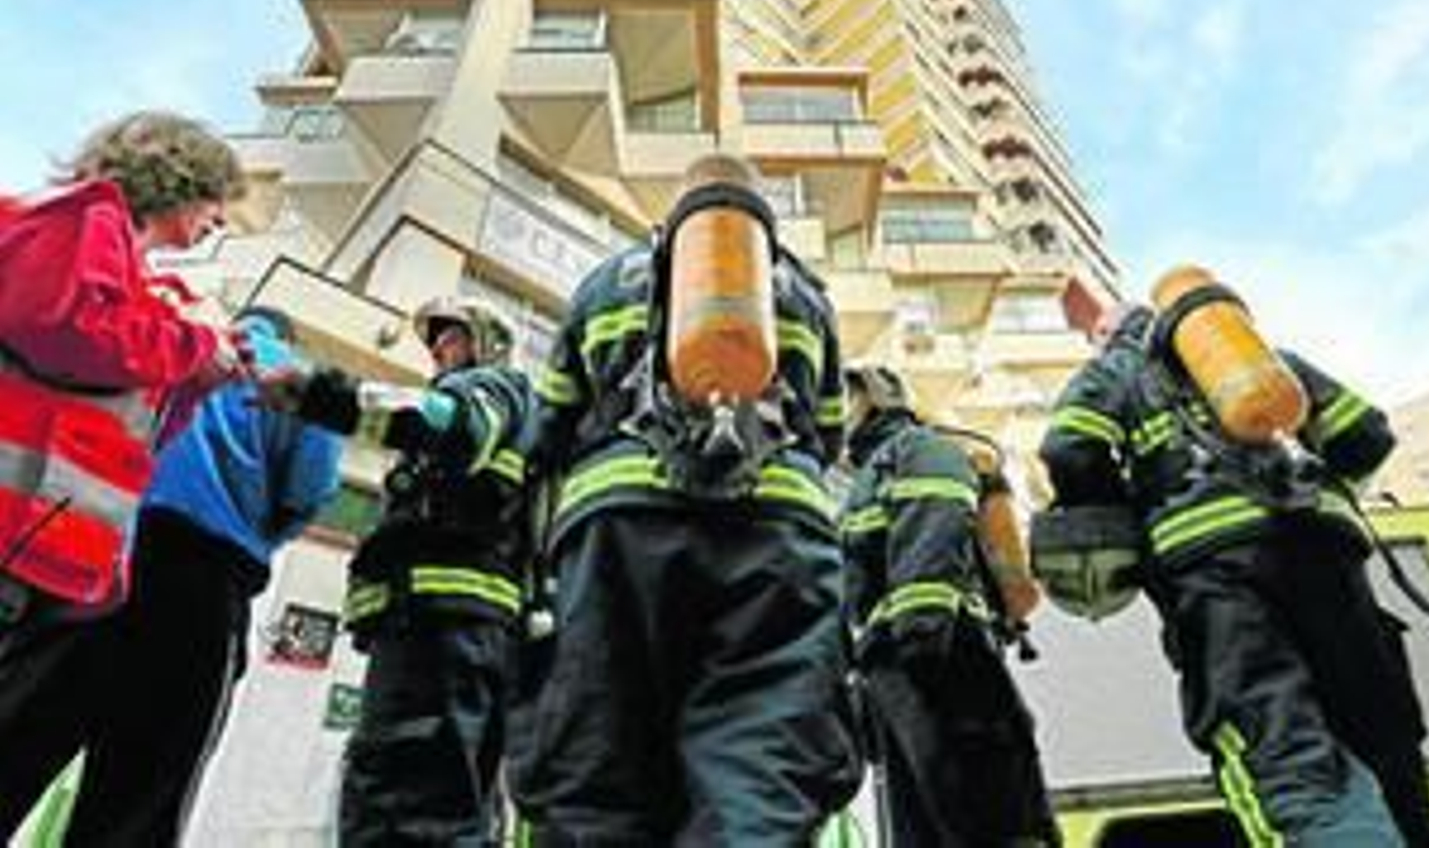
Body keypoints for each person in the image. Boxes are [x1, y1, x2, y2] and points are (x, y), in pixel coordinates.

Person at [513, 153, 859, 844]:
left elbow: (546, 429)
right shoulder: (805, 297)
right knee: (764, 755)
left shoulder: (606, 281)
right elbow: (824, 435)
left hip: (617, 537)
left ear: (672, 214)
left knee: (600, 760)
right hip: (775, 538)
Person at [1033, 299, 1429, 847]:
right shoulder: (1258, 361)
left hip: (1214, 572)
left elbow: (1068, 447)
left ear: (1108, 333)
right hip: (1325, 553)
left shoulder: (1114, 371)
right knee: (1380, 731)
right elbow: (1366, 436)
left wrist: (1125, 521)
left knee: (1274, 740)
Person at [5, 306, 343, 844]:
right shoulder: (300, 377)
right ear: (288, 336)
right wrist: (263, 528)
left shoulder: (172, 340)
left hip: (95, 556)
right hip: (202, 587)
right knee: (139, 800)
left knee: (17, 738)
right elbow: (312, 487)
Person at [0, 110, 246, 837]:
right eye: (214, 203)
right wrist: (191, 342)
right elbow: (66, 327)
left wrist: (193, 376)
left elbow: (117, 407)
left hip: (42, 551)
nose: (216, 222)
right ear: (178, 180)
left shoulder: (121, 265)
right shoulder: (78, 220)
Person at [257, 294, 537, 846]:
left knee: (405, 810)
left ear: (488, 344)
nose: (436, 350)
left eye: (449, 336)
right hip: (456, 634)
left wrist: (322, 393)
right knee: (444, 812)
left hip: (440, 631)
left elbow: (446, 424)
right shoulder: (513, 412)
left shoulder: (491, 389)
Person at [838, 365, 1057, 846]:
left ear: (875, 401)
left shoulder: (918, 449)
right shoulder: (863, 478)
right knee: (936, 825)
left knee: (989, 820)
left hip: (944, 656)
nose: (834, 411)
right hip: (899, 666)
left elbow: (933, 528)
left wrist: (920, 638)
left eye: (845, 398)